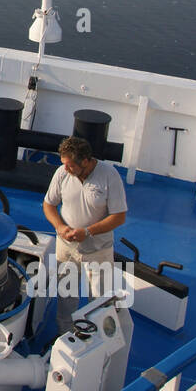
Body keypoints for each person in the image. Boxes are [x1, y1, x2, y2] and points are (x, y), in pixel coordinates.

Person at [42, 135, 127, 334]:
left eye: (70, 165)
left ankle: (96, 339)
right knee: (66, 295)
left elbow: (119, 217)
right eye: (64, 164)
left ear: (87, 161)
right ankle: (64, 333)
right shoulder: (62, 173)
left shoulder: (109, 176)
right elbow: (49, 204)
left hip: (98, 250)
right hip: (66, 247)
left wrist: (88, 232)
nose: (65, 169)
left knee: (99, 299)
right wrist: (60, 227)